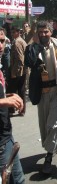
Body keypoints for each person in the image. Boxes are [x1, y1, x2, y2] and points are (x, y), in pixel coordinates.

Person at [24, 21, 57, 174]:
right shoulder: (33, 48)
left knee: (55, 124)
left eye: (46, 32)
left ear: (50, 32)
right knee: (45, 125)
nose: (44, 34)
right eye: (41, 32)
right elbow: (29, 62)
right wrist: (37, 44)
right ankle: (51, 147)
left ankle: (48, 157)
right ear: (37, 34)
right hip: (42, 92)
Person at [0, 27, 25, 184]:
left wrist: (9, 96)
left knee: (19, 180)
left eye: (2, 41)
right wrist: (3, 101)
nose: (0, 46)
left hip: (6, 135)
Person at [7, 26, 27, 116]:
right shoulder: (21, 41)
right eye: (11, 32)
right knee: (21, 90)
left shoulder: (17, 42)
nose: (12, 34)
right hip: (23, 70)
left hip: (18, 71)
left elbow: (20, 58)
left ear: (18, 33)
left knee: (12, 90)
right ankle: (22, 110)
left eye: (13, 32)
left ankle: (11, 109)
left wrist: (14, 73)